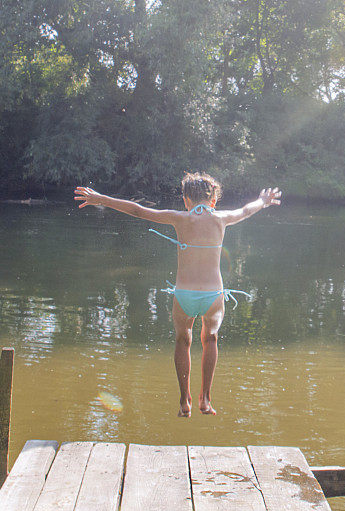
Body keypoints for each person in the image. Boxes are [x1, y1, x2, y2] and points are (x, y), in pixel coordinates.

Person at [74, 173, 281, 417]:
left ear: (186, 200)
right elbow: (246, 210)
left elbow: (138, 211)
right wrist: (264, 201)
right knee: (211, 339)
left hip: (185, 294)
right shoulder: (222, 218)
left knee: (183, 340)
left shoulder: (180, 218)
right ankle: (206, 398)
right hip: (213, 295)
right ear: (214, 199)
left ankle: (185, 400)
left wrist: (102, 199)